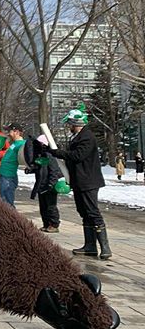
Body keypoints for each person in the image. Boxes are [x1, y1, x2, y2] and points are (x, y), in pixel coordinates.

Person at [52, 107, 111, 260]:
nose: (68, 127)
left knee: (92, 212)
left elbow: (77, 156)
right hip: (79, 181)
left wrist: (57, 152)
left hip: (88, 181)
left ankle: (105, 247)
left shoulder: (86, 137)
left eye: (70, 124)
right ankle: (90, 246)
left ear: (75, 122)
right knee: (84, 212)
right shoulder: (77, 136)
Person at [25, 134, 63, 232]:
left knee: (51, 206)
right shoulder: (41, 155)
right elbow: (40, 168)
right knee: (43, 206)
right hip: (41, 184)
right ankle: (46, 224)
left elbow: (54, 171)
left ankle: (54, 224)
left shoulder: (50, 155)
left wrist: (51, 183)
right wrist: (31, 170)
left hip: (49, 185)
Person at [0, 123, 25, 207]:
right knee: (5, 200)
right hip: (5, 175)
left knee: (7, 202)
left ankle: (10, 219)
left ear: (16, 132)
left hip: (8, 176)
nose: (8, 133)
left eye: (9, 131)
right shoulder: (15, 143)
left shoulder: (21, 144)